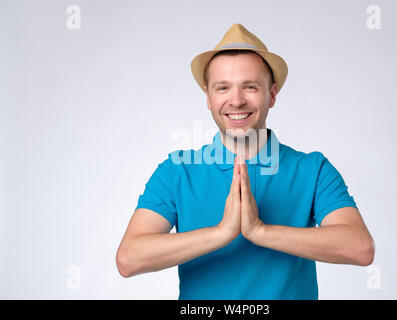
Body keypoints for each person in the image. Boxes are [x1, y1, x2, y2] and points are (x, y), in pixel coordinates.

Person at [116, 23, 375, 299]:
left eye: (250, 87)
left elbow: (360, 248)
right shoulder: (177, 171)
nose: (236, 101)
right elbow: (129, 259)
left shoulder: (313, 170)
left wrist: (260, 231)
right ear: (208, 97)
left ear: (272, 94)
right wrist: (221, 232)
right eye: (222, 88)